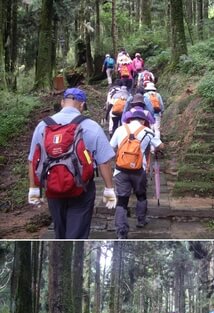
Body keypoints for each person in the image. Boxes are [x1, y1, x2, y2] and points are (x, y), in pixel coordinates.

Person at [28, 88, 116, 239]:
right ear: (82, 105)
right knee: (78, 232)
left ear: (62, 102)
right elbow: (104, 162)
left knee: (59, 230)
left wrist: (33, 188)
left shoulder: (43, 126)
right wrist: (109, 190)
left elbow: (33, 159)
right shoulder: (91, 126)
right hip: (82, 187)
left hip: (53, 186)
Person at [110, 109, 164, 239]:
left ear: (130, 119)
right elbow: (161, 146)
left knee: (122, 200)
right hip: (139, 170)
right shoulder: (148, 131)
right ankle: (141, 220)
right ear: (143, 120)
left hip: (120, 170)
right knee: (141, 195)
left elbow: (111, 147)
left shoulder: (120, 130)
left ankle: (121, 231)